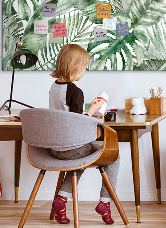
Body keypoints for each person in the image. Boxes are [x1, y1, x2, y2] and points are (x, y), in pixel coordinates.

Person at [49, 44, 119, 225]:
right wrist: (93, 110)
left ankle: (61, 200)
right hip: (72, 148)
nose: (84, 71)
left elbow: (66, 116)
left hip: (55, 148)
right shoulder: (75, 91)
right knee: (114, 156)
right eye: (84, 67)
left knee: (79, 159)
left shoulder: (54, 87)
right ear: (75, 67)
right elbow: (77, 123)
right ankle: (105, 202)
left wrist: (89, 112)